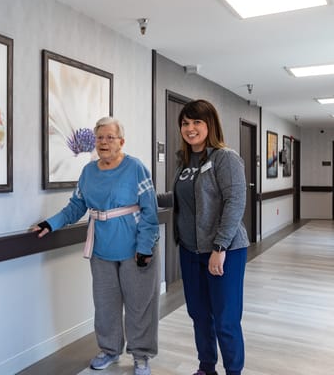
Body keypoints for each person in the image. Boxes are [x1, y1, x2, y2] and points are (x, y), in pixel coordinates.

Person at [32, 117, 160, 375]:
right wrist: (51, 223)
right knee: (105, 305)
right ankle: (110, 350)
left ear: (121, 142)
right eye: (99, 137)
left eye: (109, 137)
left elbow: (150, 211)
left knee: (139, 305)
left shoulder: (136, 168)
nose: (103, 142)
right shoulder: (88, 172)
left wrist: (145, 247)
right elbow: (76, 206)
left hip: (136, 249)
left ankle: (141, 355)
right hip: (102, 250)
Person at [157, 99, 249, 375]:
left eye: (197, 122)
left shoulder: (225, 158)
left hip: (225, 250)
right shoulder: (185, 161)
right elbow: (184, 198)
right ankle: (206, 367)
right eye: (185, 123)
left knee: (226, 319)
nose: (190, 128)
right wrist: (145, 198)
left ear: (210, 125)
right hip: (190, 250)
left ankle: (234, 371)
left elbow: (235, 202)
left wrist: (219, 247)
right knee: (198, 315)